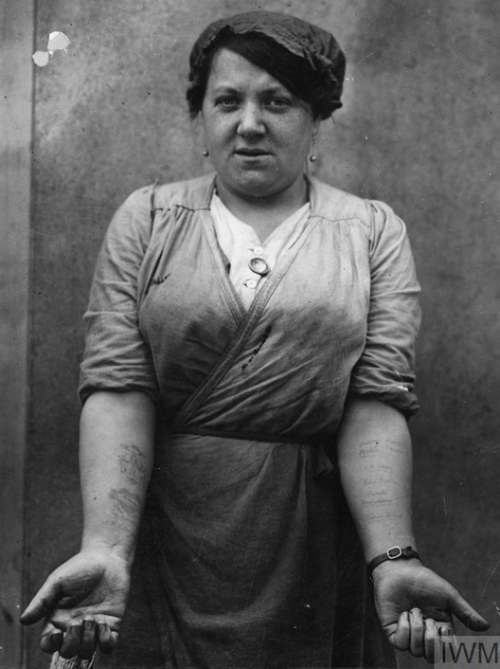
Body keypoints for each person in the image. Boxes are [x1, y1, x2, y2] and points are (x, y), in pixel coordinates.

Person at [20, 10, 489, 668]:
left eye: (277, 100)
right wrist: (105, 546)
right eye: (227, 101)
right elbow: (118, 384)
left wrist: (392, 555)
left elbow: (375, 401)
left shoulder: (370, 231)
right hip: (165, 531)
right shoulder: (148, 220)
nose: (248, 123)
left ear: (315, 118)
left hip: (307, 536)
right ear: (201, 118)